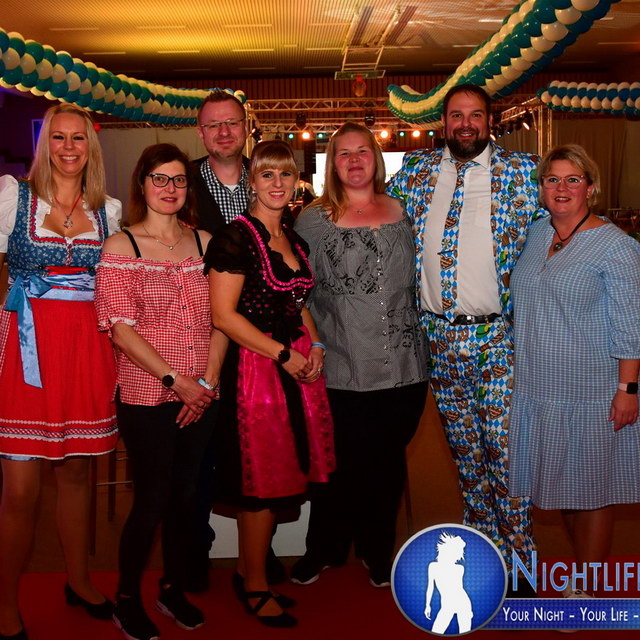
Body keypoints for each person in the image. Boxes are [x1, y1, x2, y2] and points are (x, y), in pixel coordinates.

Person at [387, 84, 540, 589]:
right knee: (467, 458)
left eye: (476, 115)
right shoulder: (416, 172)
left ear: (490, 120)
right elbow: (371, 214)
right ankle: (486, 559)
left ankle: (523, 569)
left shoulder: (522, 172)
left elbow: (560, 231)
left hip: (500, 339)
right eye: (457, 115)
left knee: (505, 454)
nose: (466, 124)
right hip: (439, 340)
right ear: (444, 122)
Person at [95, 143, 225, 640]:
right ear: (142, 184)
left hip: (202, 393)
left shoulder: (206, 243)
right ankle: (127, 598)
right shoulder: (121, 246)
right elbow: (120, 330)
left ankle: (171, 588)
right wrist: (177, 381)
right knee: (152, 499)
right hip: (148, 393)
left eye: (179, 179)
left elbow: (223, 319)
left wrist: (206, 383)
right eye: (160, 179)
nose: (170, 188)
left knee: (187, 497)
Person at [0, 103, 120, 639]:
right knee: (20, 491)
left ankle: (79, 580)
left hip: (85, 349)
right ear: (43, 144)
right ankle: (5, 601)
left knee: (76, 476)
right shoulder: (13, 198)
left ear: (91, 147)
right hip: (26, 352)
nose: (69, 148)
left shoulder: (108, 211)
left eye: (78, 138)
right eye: (58, 137)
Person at [292, 122, 429, 588]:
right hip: (341, 365)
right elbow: (299, 294)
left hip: (405, 367)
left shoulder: (406, 212)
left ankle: (377, 550)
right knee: (338, 464)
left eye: (362, 151)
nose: (354, 160)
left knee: (386, 465)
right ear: (333, 164)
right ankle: (324, 549)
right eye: (343, 153)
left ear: (376, 158)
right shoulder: (312, 220)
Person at [205, 140, 335, 628]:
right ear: (251, 182)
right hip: (255, 370)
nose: (277, 184)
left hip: (293, 365)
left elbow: (298, 304)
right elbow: (223, 316)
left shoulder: (294, 240)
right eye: (266, 175)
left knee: (282, 474)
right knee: (261, 479)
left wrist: (315, 345)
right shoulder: (235, 238)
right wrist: (283, 354)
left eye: (285, 174)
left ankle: (249, 571)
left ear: (296, 181)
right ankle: (255, 585)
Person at [509, 144, 640, 597]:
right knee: (562, 490)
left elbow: (631, 325)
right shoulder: (535, 234)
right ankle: (582, 573)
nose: (561, 188)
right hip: (538, 386)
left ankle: (585, 587)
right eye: (552, 179)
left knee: (592, 492)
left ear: (591, 187)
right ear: (541, 188)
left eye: (572, 179)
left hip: (591, 391)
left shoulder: (615, 246)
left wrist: (628, 388)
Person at [192, 90, 286, 588]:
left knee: (258, 451)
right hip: (197, 338)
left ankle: (257, 557)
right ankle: (194, 555)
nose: (224, 132)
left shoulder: (269, 176)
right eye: (213, 125)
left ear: (246, 127)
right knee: (200, 453)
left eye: (231, 123)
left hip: (260, 343)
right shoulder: (180, 181)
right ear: (200, 132)